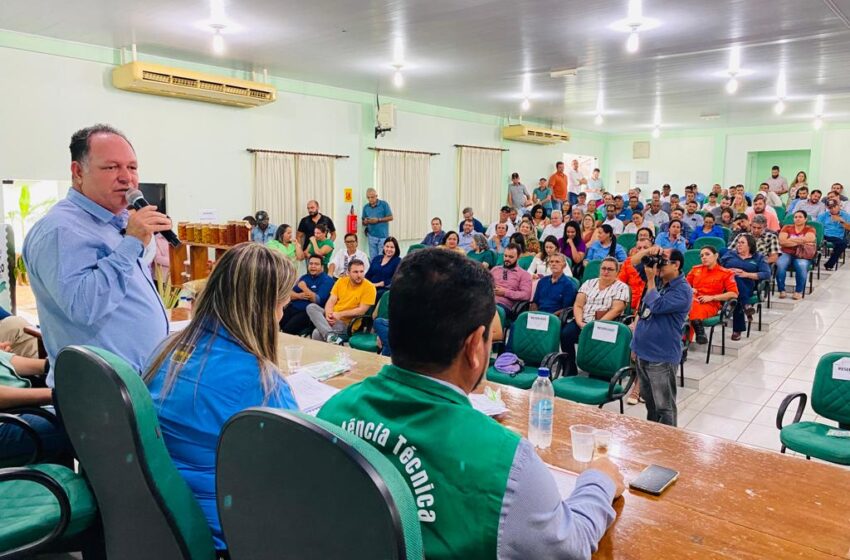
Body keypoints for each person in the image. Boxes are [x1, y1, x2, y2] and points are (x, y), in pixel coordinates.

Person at [317, 249, 622, 559]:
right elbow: (571, 546)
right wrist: (599, 481)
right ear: (476, 346)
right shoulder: (507, 464)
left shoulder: (332, 413)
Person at [145, 243, 299, 553]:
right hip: (219, 529)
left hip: (159, 515)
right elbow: (299, 466)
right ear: (264, 309)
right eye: (282, 306)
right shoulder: (262, 381)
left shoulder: (167, 349)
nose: (282, 316)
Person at [24, 124, 169, 382]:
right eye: (111, 167)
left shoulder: (119, 222)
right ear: (78, 172)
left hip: (138, 385)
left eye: (132, 167)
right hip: (101, 399)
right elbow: (83, 307)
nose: (127, 178)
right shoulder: (61, 230)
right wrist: (132, 241)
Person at [631, 249, 692, 426]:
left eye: (663, 262)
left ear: (676, 265)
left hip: (661, 357)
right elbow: (634, 261)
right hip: (643, 351)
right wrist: (650, 251)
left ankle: (669, 445)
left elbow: (656, 305)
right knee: (650, 404)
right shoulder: (658, 279)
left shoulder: (683, 290)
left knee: (664, 407)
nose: (658, 266)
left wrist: (650, 279)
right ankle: (653, 438)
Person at [560, 258, 629, 376]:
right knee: (566, 334)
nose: (606, 271)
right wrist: (579, 322)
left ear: (617, 272)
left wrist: (595, 325)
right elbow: (578, 305)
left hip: (606, 324)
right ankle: (570, 369)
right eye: (603, 268)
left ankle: (598, 371)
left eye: (610, 269)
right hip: (583, 321)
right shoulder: (589, 283)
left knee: (599, 337)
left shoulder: (621, 287)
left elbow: (616, 309)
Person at [307, 259, 376, 344]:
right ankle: (330, 335)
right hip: (333, 316)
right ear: (348, 272)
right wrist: (329, 314)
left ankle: (329, 337)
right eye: (355, 272)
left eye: (361, 271)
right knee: (311, 307)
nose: (359, 275)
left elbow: (361, 310)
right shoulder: (341, 281)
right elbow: (331, 300)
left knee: (317, 333)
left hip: (346, 324)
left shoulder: (369, 287)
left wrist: (339, 315)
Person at [720, 235, 771, 339]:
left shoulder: (758, 257)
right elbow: (718, 268)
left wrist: (746, 274)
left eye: (742, 243)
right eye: (738, 242)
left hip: (748, 285)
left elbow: (766, 274)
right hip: (727, 284)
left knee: (736, 294)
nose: (739, 244)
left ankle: (742, 312)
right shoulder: (730, 254)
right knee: (736, 280)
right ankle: (746, 306)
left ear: (750, 245)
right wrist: (729, 272)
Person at [686, 247, 738, 344]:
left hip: (711, 304)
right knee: (690, 304)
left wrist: (712, 297)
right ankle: (699, 331)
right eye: (701, 256)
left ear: (716, 255)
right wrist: (690, 289)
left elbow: (733, 293)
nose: (704, 257)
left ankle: (685, 343)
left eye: (707, 254)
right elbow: (684, 285)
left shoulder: (726, 273)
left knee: (690, 308)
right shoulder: (695, 269)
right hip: (693, 299)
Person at [280, 254, 335, 335]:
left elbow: (317, 300)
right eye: (311, 264)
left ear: (322, 267)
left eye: (316, 264)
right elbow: (289, 294)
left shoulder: (327, 280)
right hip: (293, 307)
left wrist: (304, 288)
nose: (313, 266)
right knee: (277, 323)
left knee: (287, 329)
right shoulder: (304, 277)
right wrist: (299, 296)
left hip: (307, 312)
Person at [776, 210, 817, 300]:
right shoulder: (787, 227)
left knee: (802, 266)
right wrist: (801, 241)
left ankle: (798, 291)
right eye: (795, 217)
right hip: (786, 252)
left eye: (800, 217)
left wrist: (790, 240)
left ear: (805, 219)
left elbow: (810, 238)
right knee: (780, 264)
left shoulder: (810, 229)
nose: (797, 219)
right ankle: (781, 290)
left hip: (802, 254)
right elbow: (782, 241)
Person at [491, 244, 532, 313]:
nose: (507, 259)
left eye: (511, 257)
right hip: (487, 300)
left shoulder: (524, 274)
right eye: (505, 256)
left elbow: (526, 295)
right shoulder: (495, 269)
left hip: (503, 306)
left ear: (518, 257)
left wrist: (505, 292)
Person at [362, 188, 394, 259]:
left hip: (383, 236)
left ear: (376, 196)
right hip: (371, 236)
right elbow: (363, 221)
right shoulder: (366, 207)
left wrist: (378, 220)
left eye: (372, 197)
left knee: (382, 258)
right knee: (373, 259)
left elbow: (391, 217)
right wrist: (366, 221)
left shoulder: (384, 204)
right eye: (368, 197)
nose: (370, 199)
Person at [819, 199, 850, 270]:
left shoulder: (845, 215)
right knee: (843, 244)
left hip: (838, 237)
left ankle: (829, 263)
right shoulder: (823, 215)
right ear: (827, 208)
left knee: (843, 243)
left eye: (834, 206)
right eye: (830, 207)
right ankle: (829, 265)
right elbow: (819, 228)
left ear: (838, 206)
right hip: (826, 236)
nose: (833, 209)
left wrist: (842, 222)